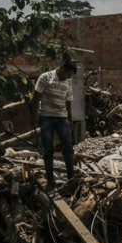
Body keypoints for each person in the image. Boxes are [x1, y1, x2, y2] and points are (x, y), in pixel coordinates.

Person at [31, 59, 78, 189]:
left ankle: (71, 178)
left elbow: (68, 102)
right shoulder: (45, 77)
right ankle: (50, 182)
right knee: (48, 149)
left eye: (71, 76)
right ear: (62, 69)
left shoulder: (68, 82)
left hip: (62, 118)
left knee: (68, 147)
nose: (69, 77)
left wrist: (70, 121)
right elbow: (36, 98)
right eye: (68, 74)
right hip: (46, 117)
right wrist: (34, 117)